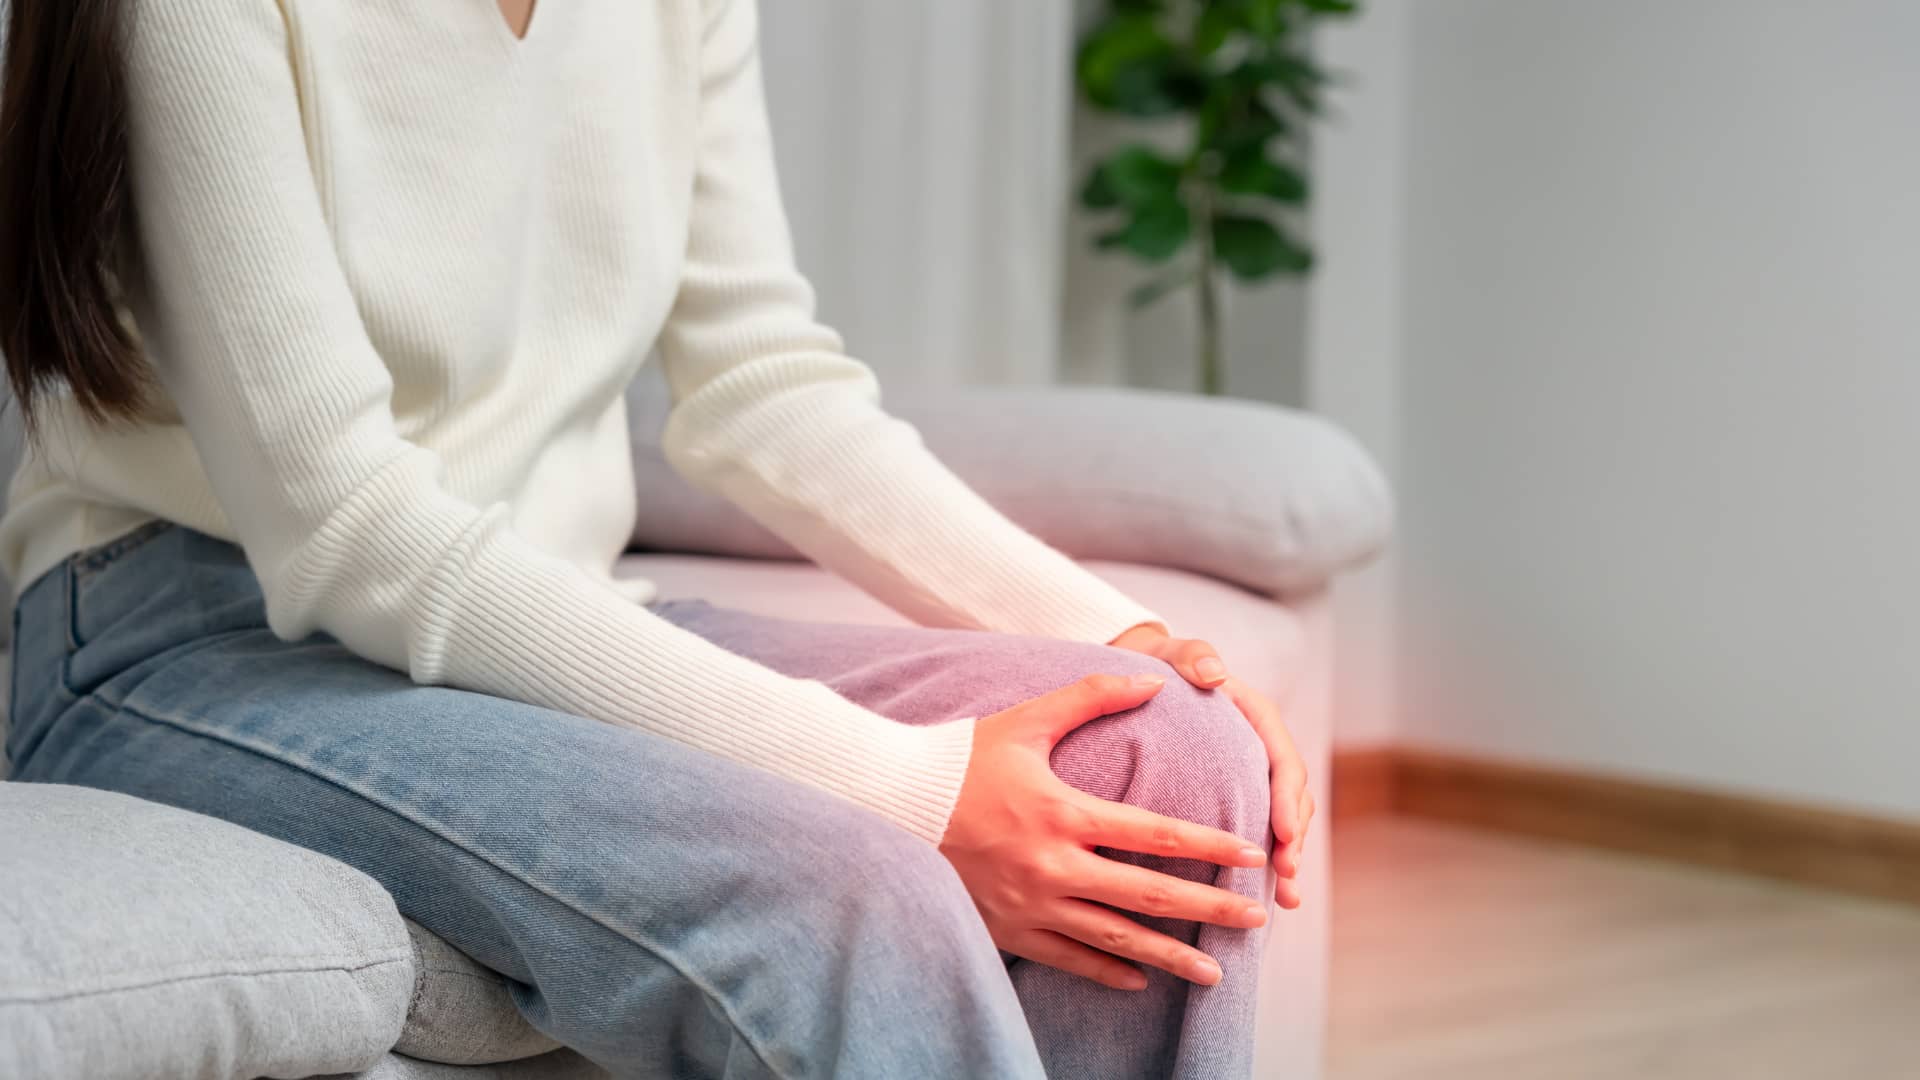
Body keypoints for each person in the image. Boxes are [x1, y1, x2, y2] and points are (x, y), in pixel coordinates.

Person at [0, 1, 1312, 1076]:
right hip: (178, 638)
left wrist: (1135, 639)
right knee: (848, 893)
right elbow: (351, 523)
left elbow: (767, 396)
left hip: (537, 603)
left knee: (1158, 757)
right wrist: (910, 789)